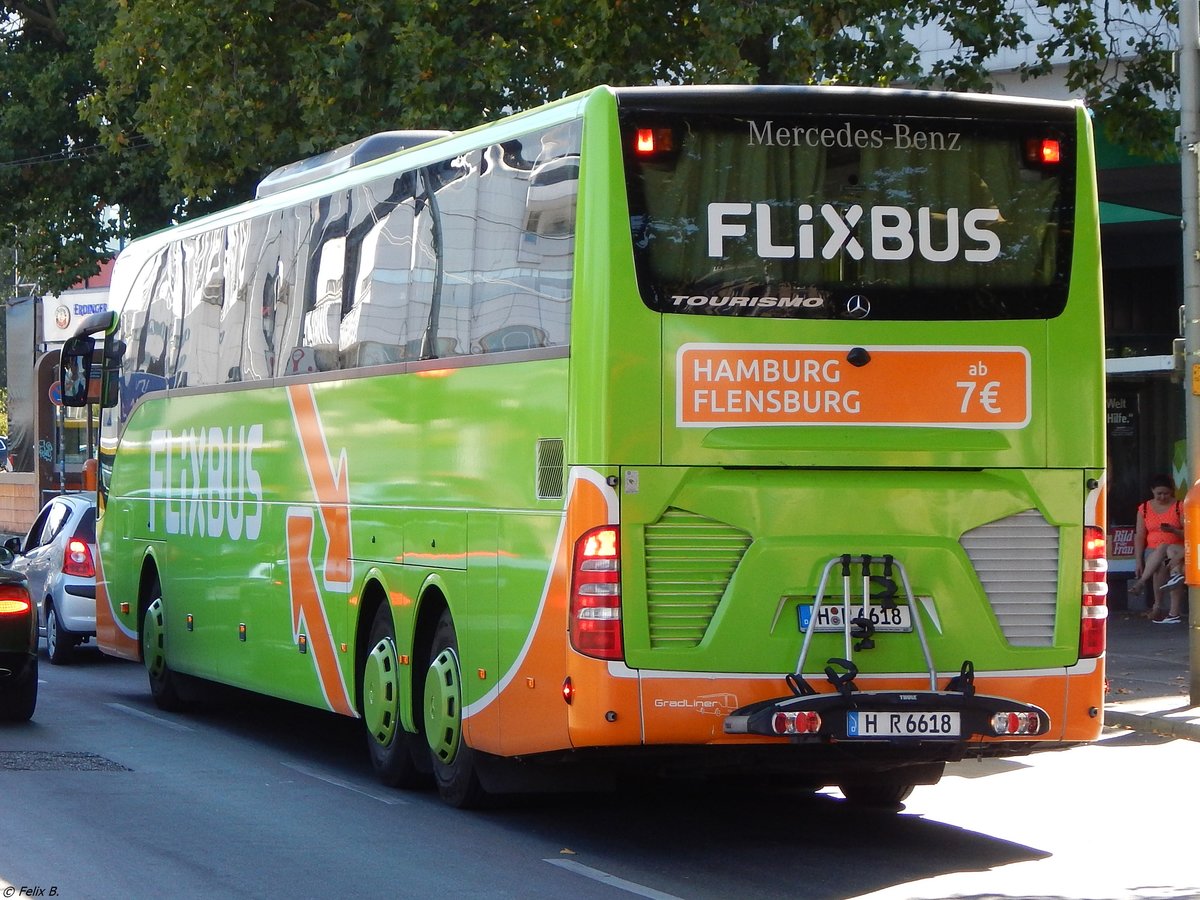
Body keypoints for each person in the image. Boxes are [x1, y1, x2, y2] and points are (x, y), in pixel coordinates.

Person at [1130, 473, 1186, 624]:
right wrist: (1138, 561)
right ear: (1152, 491)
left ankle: (1154, 601)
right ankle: (1166, 609)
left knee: (1163, 561)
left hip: (1176, 548)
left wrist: (1173, 531)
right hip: (1152, 550)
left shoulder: (1179, 507)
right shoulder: (1145, 509)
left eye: (1166, 493)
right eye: (1158, 494)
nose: (1162, 497)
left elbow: (1189, 533)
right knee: (1161, 560)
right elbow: (1140, 536)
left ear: (1172, 492)